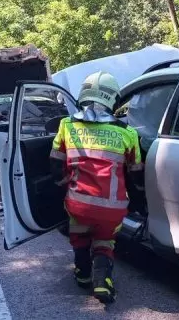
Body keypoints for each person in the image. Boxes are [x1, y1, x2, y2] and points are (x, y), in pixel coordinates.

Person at [49, 71, 144, 304]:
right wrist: (138, 200)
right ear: (113, 99)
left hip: (78, 202)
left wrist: (62, 184)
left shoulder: (66, 126)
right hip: (112, 208)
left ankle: (82, 275)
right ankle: (102, 281)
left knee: (79, 236)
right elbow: (136, 173)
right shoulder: (127, 133)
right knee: (104, 241)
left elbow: (55, 163)